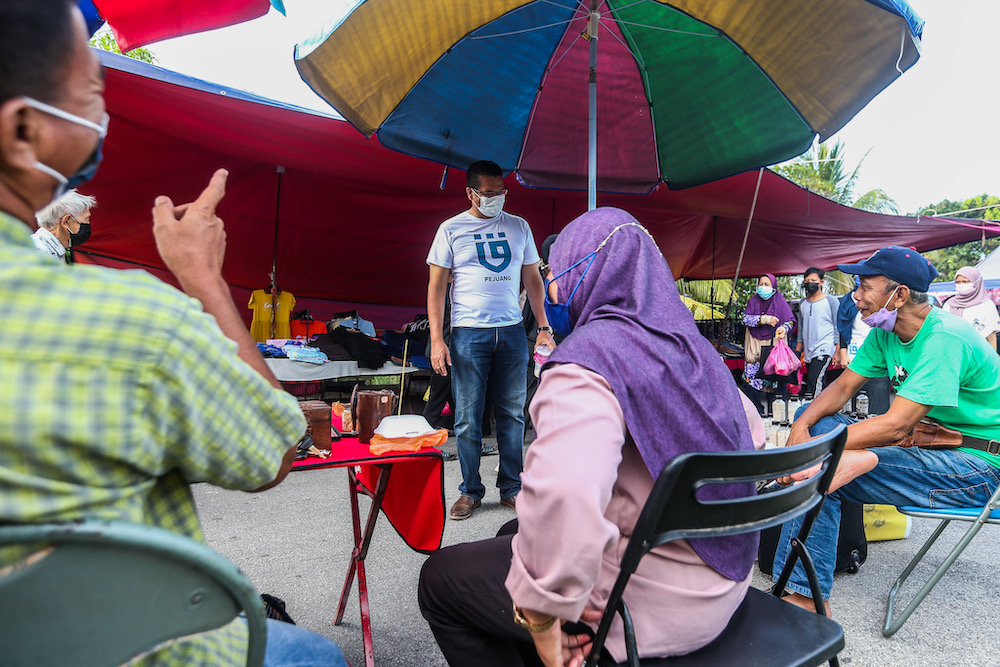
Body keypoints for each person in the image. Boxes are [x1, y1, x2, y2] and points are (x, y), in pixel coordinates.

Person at [0, 2, 346, 664]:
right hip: (135, 649)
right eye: (91, 88)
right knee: (315, 654)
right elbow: (276, 449)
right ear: (23, 130)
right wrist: (205, 281)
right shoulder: (135, 326)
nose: (101, 113)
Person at [418, 208, 759, 666]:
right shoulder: (696, 350)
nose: (550, 288)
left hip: (644, 609)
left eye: (554, 273)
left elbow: (568, 494)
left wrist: (541, 617)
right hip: (723, 585)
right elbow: (753, 443)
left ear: (589, 274)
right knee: (511, 530)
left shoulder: (586, 364)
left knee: (439, 580)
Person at [772, 246, 1000, 615]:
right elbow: (842, 388)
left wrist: (813, 451)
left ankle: (804, 600)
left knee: (819, 469)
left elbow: (897, 424)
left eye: (864, 286)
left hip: (975, 465)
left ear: (899, 294)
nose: (855, 295)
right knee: (813, 419)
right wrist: (801, 425)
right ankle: (845, 459)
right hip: (924, 445)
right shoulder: (887, 332)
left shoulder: (944, 338)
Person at [426, 160, 554, 520]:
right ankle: (470, 490)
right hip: (468, 333)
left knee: (513, 415)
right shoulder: (451, 230)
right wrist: (438, 339)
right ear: (471, 193)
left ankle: (511, 487)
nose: (496, 198)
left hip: (512, 331)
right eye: (488, 193)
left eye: (501, 192)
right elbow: (436, 288)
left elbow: (532, 279)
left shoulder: (519, 227)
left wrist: (543, 326)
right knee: (467, 417)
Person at [836, 275, 892, 415]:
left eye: (865, 286)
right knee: (854, 402)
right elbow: (843, 328)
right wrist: (843, 352)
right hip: (855, 356)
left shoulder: (885, 302)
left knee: (877, 402)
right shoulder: (848, 300)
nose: (858, 295)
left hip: (879, 358)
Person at [741, 273, 795, 414]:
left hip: (774, 348)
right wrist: (763, 319)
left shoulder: (780, 302)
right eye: (760, 284)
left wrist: (783, 328)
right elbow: (745, 319)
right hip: (755, 348)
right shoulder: (753, 301)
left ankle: (776, 415)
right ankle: (757, 414)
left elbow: (789, 321)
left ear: (773, 287)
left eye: (766, 284)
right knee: (752, 384)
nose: (762, 287)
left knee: (775, 380)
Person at [795, 267, 840, 399]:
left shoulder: (831, 301)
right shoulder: (803, 303)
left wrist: (837, 351)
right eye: (807, 280)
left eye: (813, 280)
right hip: (809, 351)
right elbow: (801, 328)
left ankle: (812, 411)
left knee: (814, 381)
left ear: (821, 282)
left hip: (825, 348)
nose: (810, 283)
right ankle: (826, 410)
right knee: (818, 381)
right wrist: (797, 353)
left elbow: (837, 326)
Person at [942, 266, 999, 349]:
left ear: (976, 282)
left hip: (978, 353)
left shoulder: (987, 305)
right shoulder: (949, 304)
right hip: (953, 351)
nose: (961, 285)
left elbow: (991, 335)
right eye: (958, 282)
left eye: (965, 281)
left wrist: (993, 359)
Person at [32, 188, 95, 262]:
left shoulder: (53, 250)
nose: (88, 224)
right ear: (66, 222)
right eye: (86, 219)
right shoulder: (41, 255)